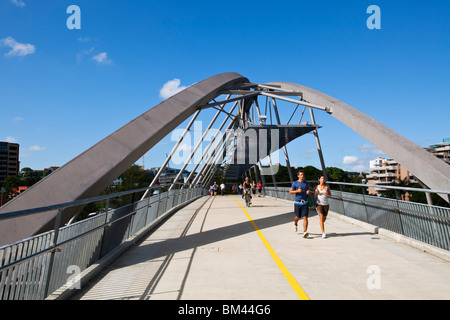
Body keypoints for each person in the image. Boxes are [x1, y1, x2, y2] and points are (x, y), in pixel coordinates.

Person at [289, 170, 310, 237]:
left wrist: (308, 191)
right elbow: (290, 192)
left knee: (305, 217)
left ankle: (305, 232)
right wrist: (297, 191)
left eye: (303, 175)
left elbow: (307, 189)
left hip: (305, 202)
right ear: (298, 176)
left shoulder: (306, 183)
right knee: (298, 217)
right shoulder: (295, 183)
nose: (302, 176)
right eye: (301, 175)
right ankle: (295, 222)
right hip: (297, 203)